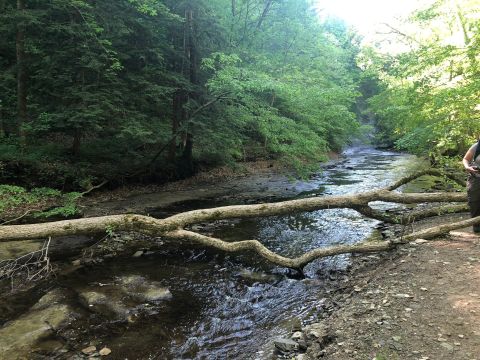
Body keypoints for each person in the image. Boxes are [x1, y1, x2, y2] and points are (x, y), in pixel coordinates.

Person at [463, 140, 480, 232]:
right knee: (474, 203)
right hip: (475, 178)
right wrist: (467, 167)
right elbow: (465, 159)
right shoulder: (476, 146)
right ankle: (477, 227)